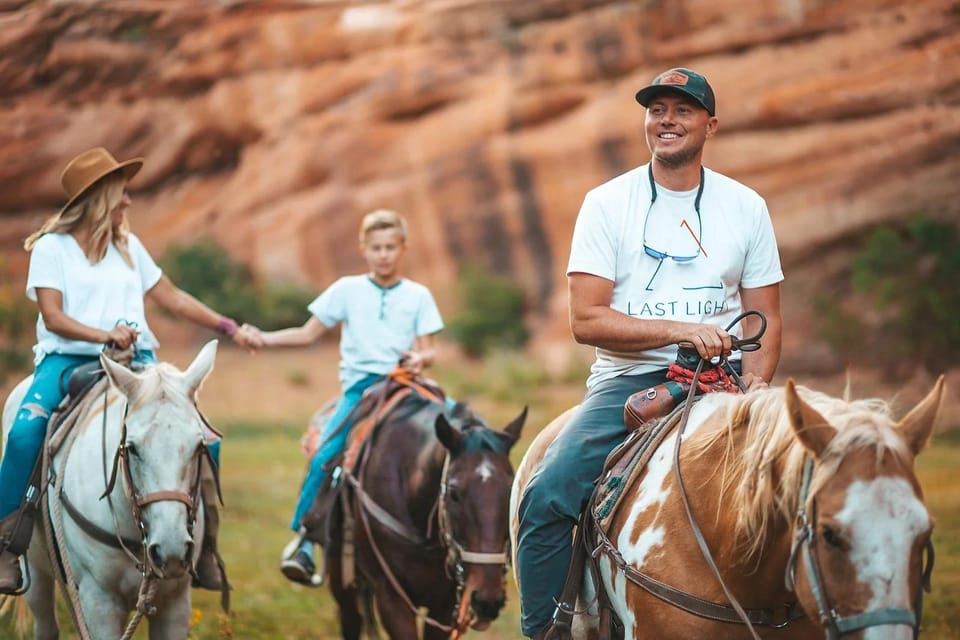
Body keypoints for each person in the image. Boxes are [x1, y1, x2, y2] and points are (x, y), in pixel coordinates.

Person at [515, 68, 784, 638]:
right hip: (627, 380)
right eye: (657, 109)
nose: (667, 120)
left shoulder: (747, 206)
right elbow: (585, 320)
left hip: (727, 378)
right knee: (546, 495)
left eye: (683, 110)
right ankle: (546, 630)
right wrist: (681, 331)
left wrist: (757, 387)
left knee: (815, 480)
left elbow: (770, 317)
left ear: (710, 125)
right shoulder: (607, 203)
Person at [0, 147, 258, 595]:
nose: (129, 201)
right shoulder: (51, 249)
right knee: (24, 434)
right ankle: (6, 546)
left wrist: (227, 325)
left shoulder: (129, 248)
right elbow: (54, 317)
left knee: (204, 437)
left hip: (138, 363)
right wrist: (104, 335)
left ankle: (205, 548)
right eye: (122, 191)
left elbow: (173, 297)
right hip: (67, 360)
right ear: (100, 195)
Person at [248, 209, 444, 586]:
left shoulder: (418, 295)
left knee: (459, 433)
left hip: (405, 382)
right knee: (326, 453)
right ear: (363, 249)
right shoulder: (346, 290)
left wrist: (421, 358)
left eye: (390, 247)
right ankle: (305, 540)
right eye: (376, 248)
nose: (384, 254)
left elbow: (431, 350)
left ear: (403, 248)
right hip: (362, 387)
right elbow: (307, 334)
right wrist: (264, 338)